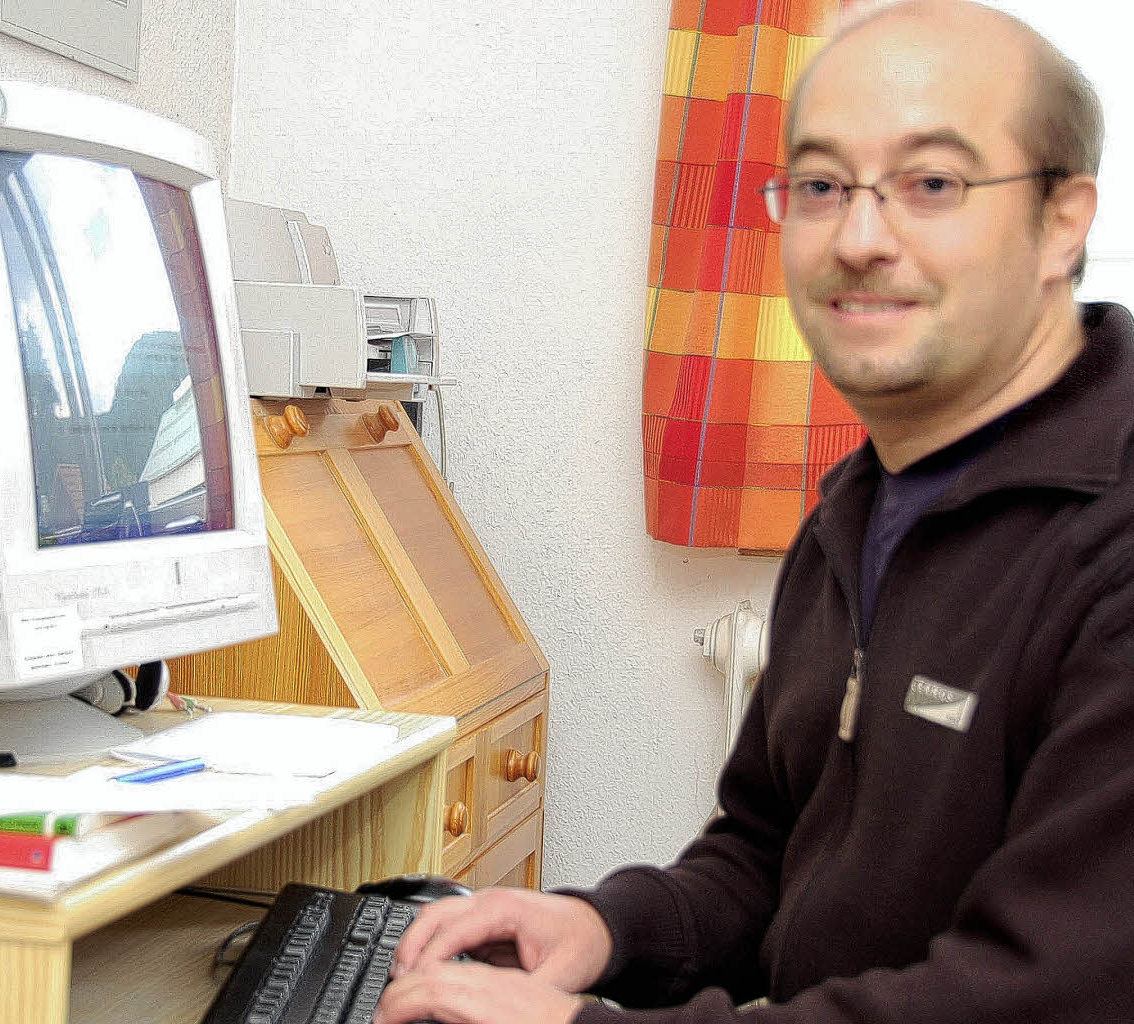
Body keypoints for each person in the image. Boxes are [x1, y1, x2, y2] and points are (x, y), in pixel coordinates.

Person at [375, 2, 1134, 1022]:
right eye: (820, 186)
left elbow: (1048, 996)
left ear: (1062, 222)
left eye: (932, 184)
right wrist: (610, 929)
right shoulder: (857, 509)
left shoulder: (1112, 541)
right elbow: (766, 846)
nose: (858, 238)